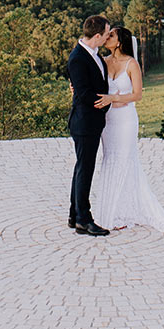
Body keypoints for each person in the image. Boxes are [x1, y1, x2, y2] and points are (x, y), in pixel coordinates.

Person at [93, 25, 164, 240]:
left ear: (119, 42)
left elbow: (137, 95)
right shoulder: (103, 61)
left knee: (124, 161)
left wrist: (114, 98)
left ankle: (122, 212)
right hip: (108, 121)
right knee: (110, 160)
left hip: (125, 120)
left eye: (111, 35)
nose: (107, 37)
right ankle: (111, 211)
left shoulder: (131, 64)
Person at [65, 14, 113, 236]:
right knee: (85, 170)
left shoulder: (95, 55)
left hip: (91, 122)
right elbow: (83, 94)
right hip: (84, 122)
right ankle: (84, 220)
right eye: (106, 34)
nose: (108, 37)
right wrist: (105, 104)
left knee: (82, 168)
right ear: (97, 36)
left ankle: (74, 215)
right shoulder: (78, 58)